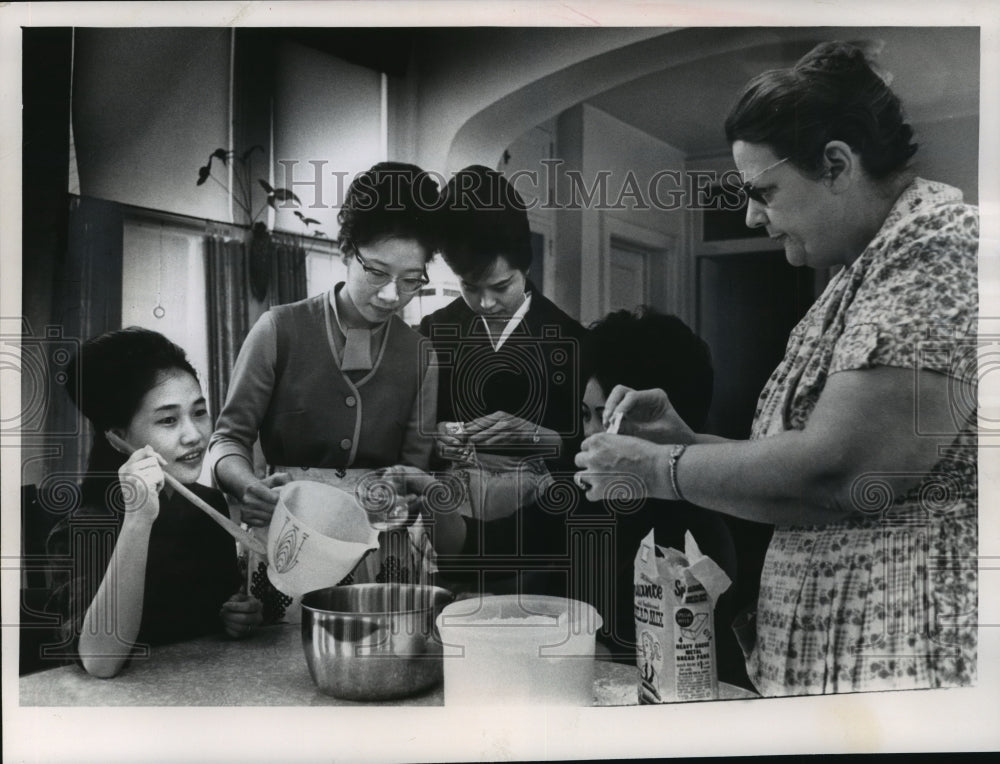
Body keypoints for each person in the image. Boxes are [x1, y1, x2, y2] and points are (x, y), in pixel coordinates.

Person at [575, 41, 978, 696]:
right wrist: (684, 444)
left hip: (908, 656)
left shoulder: (942, 243)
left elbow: (846, 472)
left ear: (838, 164)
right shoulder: (858, 273)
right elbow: (794, 467)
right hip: (838, 662)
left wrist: (656, 470)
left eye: (764, 191)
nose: (750, 215)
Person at [207, 162, 459, 620]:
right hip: (290, 533)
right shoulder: (279, 329)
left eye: (411, 280)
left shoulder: (421, 355)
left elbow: (414, 465)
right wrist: (249, 486)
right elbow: (227, 439)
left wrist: (407, 490)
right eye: (377, 272)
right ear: (346, 249)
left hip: (380, 549)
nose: (390, 295)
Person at [46, 328, 258, 678]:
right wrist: (138, 520)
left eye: (200, 412)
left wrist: (236, 617)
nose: (194, 435)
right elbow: (101, 662)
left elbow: (213, 619)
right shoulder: (83, 527)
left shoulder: (210, 506)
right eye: (168, 420)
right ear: (118, 438)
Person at [417, 164, 587, 595]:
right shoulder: (433, 333)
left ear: (524, 263)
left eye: (501, 285)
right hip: (451, 550)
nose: (486, 303)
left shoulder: (573, 340)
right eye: (469, 287)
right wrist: (434, 436)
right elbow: (405, 442)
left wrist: (546, 440)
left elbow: (603, 455)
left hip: (547, 557)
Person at [578, 308, 743, 684]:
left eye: (606, 418)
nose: (590, 437)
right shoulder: (601, 505)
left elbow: (666, 660)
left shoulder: (694, 535)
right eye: (584, 415)